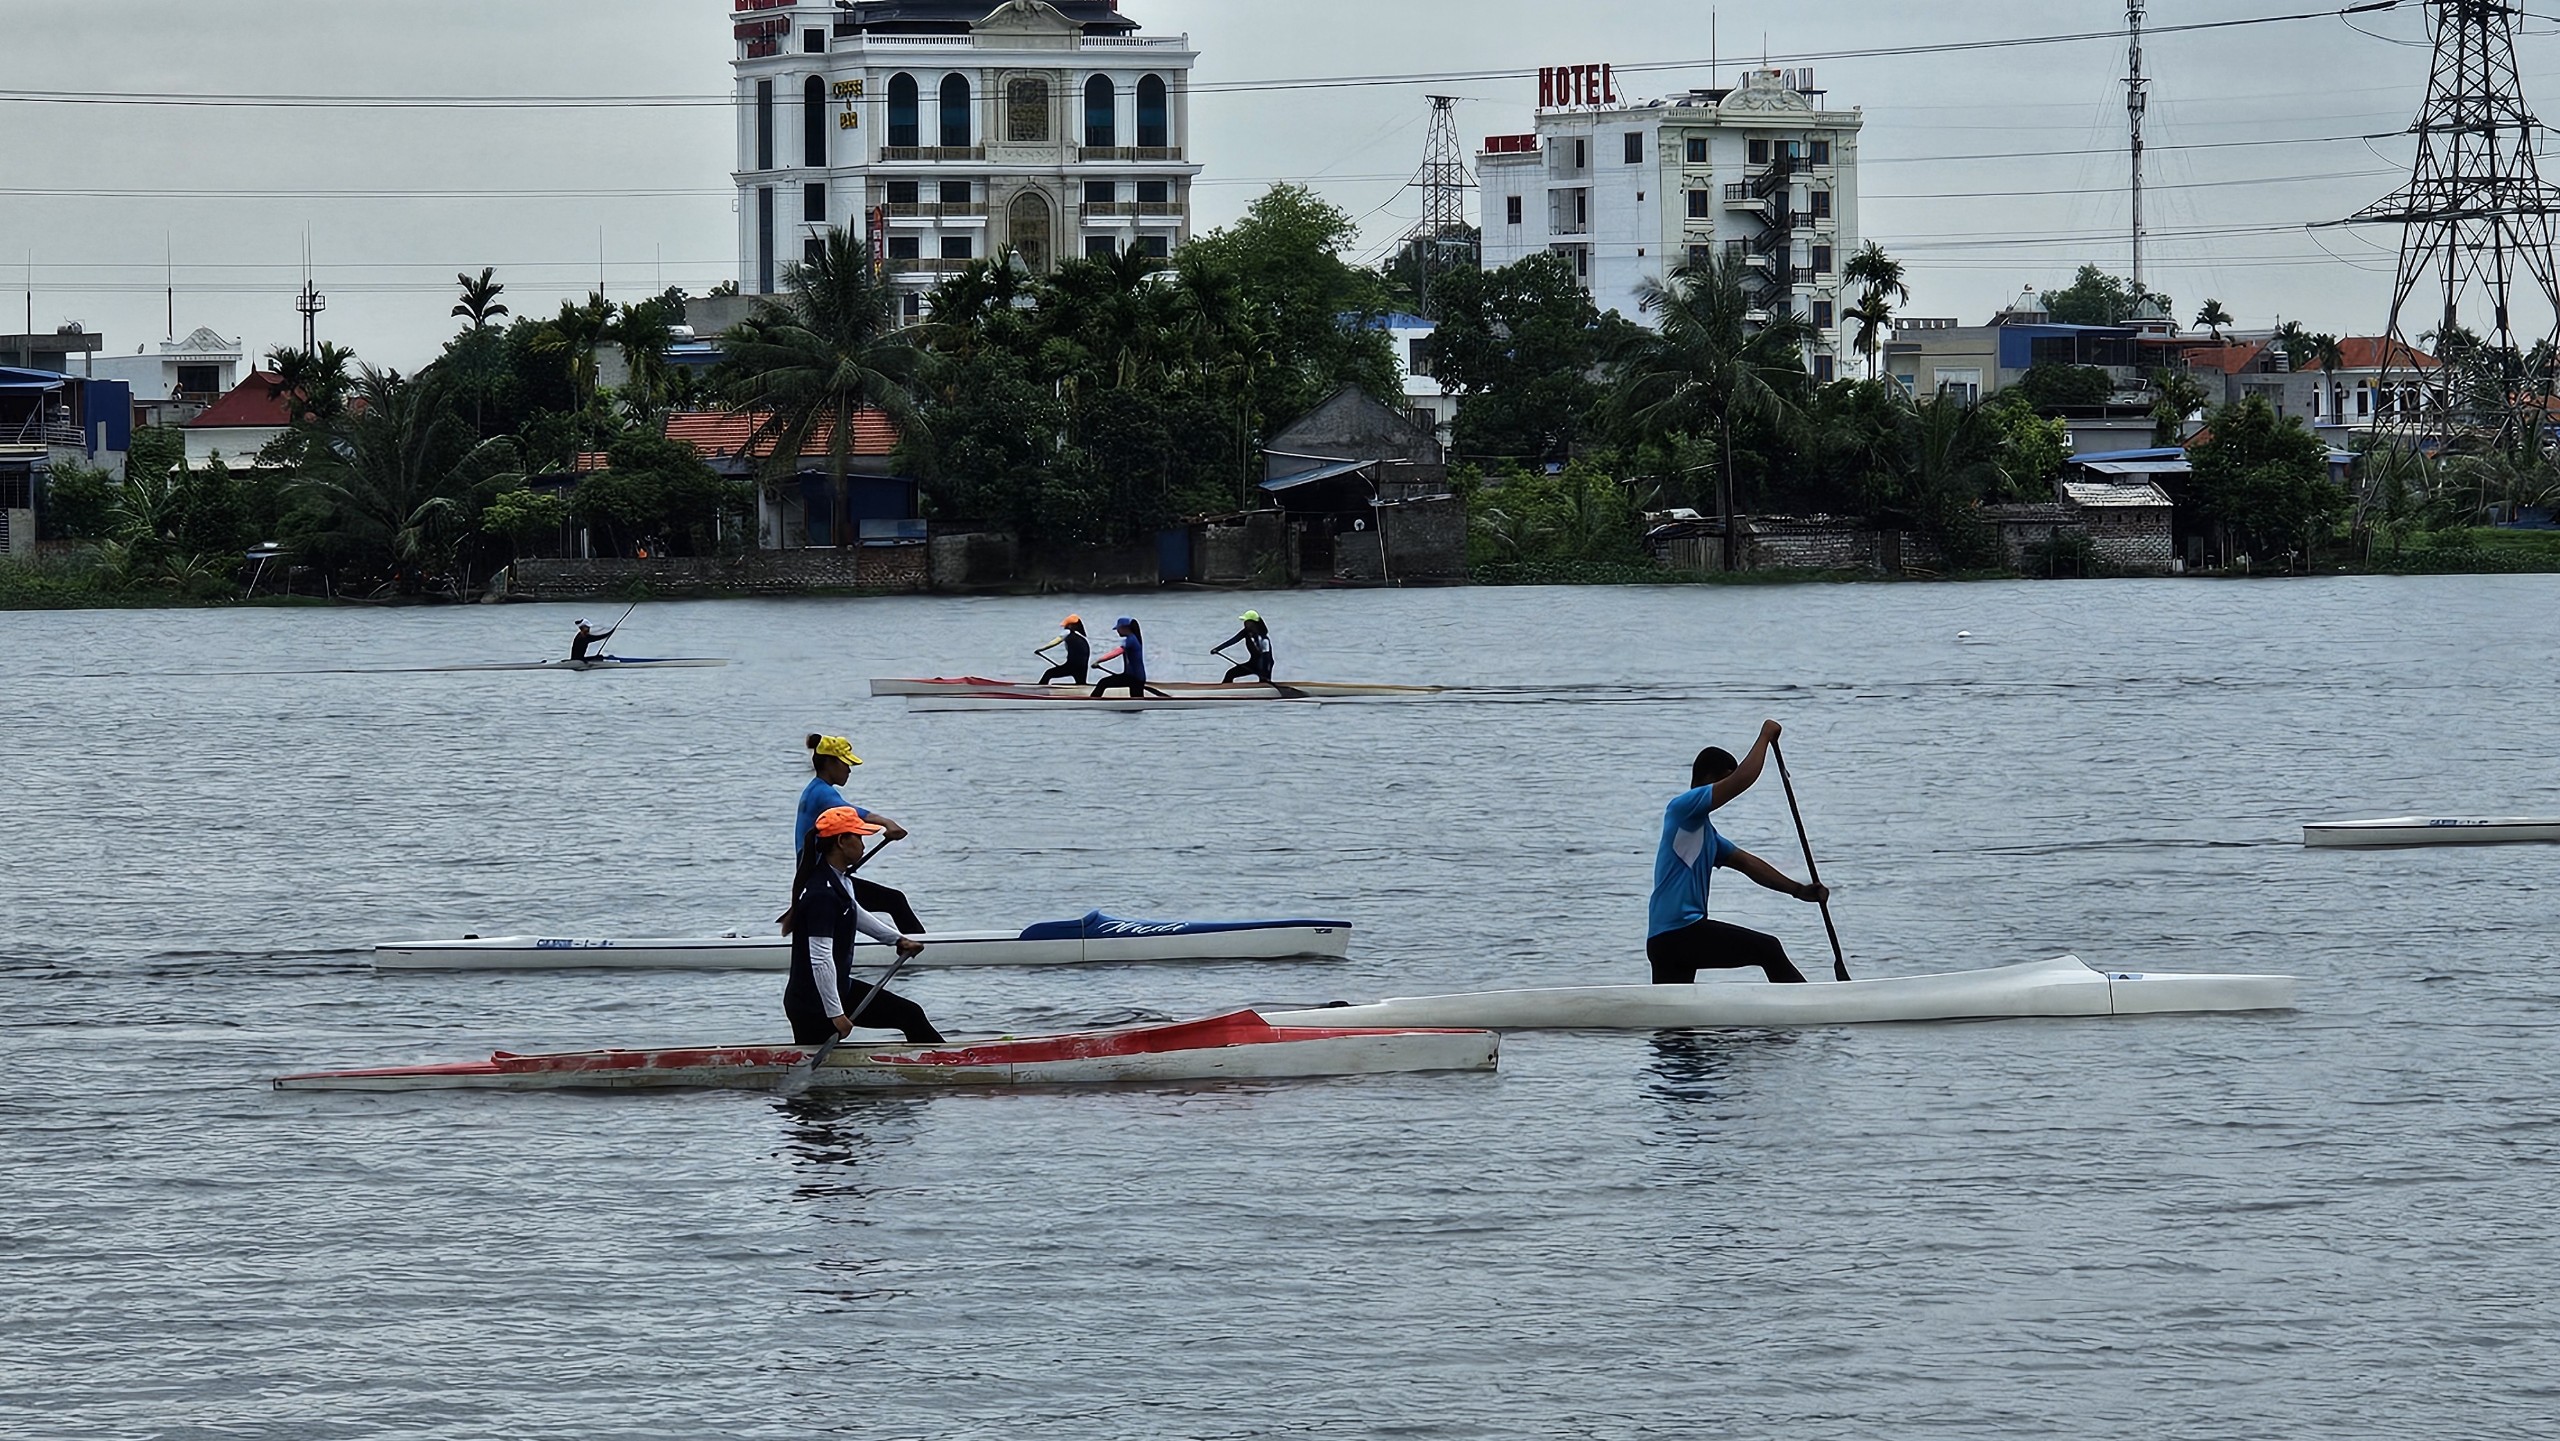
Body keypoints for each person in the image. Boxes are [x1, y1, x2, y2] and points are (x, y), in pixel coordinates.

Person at [1646, 719, 1830, 985]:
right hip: (1681, 933)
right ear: (1710, 779)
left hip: (1665, 940)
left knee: (1675, 1024)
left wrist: (1798, 890)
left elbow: (1747, 864)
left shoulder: (1706, 835)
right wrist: (1766, 734)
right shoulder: (1682, 808)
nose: (1727, 793)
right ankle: (1811, 1007)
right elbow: (1743, 779)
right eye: (1724, 782)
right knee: (1768, 949)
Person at [783, 806, 943, 1045]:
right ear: (841, 841)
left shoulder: (839, 878)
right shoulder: (821, 895)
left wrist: (897, 939)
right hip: (812, 1004)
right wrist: (836, 1014)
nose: (863, 844)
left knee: (910, 1014)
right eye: (858, 837)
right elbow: (820, 959)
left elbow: (856, 913)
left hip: (839, 989)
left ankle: (941, 1064)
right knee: (821, 1071)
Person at [794, 733, 923, 933]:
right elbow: (851, 814)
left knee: (883, 902)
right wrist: (886, 822)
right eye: (845, 763)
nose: (849, 769)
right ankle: (923, 947)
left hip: (819, 875)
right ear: (829, 763)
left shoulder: (816, 790)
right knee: (895, 900)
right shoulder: (821, 792)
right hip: (821, 880)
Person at [1090, 616, 1166, 699]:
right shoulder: (1134, 638)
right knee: (1136, 702)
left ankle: (1091, 702)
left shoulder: (1131, 640)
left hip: (1133, 677)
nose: (1117, 631)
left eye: (1118, 628)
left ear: (1124, 628)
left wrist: (1099, 660)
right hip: (1136, 677)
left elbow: (1117, 652)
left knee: (1103, 683)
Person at [1212, 610, 1275, 684]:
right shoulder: (1246, 632)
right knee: (1230, 673)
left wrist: (1265, 674)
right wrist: (1217, 649)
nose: (1244, 623)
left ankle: (1265, 687)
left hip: (1265, 665)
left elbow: (1267, 658)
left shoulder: (1263, 639)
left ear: (1253, 623)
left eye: (1246, 621)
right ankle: (1225, 691)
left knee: (1264, 682)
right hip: (1253, 664)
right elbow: (1233, 640)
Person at [1036, 614, 1091, 686]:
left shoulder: (1067, 632)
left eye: (1067, 625)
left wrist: (1040, 649)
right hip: (1083, 667)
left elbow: (1055, 642)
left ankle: (1039, 691)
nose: (1065, 627)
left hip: (1071, 666)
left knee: (1048, 673)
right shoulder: (1082, 637)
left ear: (1072, 625)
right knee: (1081, 684)